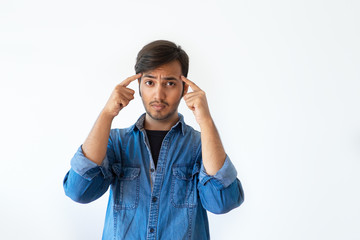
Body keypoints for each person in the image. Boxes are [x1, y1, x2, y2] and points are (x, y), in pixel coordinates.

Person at [63, 40, 244, 240]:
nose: (159, 94)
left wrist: (206, 122)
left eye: (170, 83)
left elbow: (222, 202)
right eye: (150, 82)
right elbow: (79, 191)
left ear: (184, 89)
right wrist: (107, 114)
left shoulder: (200, 145)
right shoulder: (116, 142)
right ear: (139, 86)